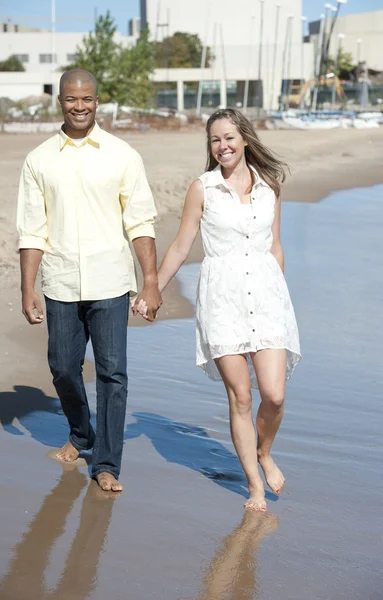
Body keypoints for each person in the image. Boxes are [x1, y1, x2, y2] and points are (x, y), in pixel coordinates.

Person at [135, 108, 301, 510]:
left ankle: (264, 452)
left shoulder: (269, 186)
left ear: (244, 138)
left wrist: (279, 294)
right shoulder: (203, 189)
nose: (222, 146)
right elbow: (180, 245)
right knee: (241, 396)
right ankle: (254, 486)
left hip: (266, 298)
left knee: (274, 396)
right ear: (210, 146)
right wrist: (151, 288)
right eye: (215, 140)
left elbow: (275, 246)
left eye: (229, 138)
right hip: (222, 300)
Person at [17, 68, 162, 492]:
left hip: (111, 281)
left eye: (87, 99)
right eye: (71, 99)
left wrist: (150, 281)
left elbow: (140, 221)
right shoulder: (39, 159)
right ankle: (81, 433)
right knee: (62, 368)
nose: (79, 106)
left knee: (113, 374)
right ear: (59, 101)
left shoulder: (122, 155)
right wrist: (27, 286)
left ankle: (107, 464)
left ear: (97, 101)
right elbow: (32, 229)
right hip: (60, 281)